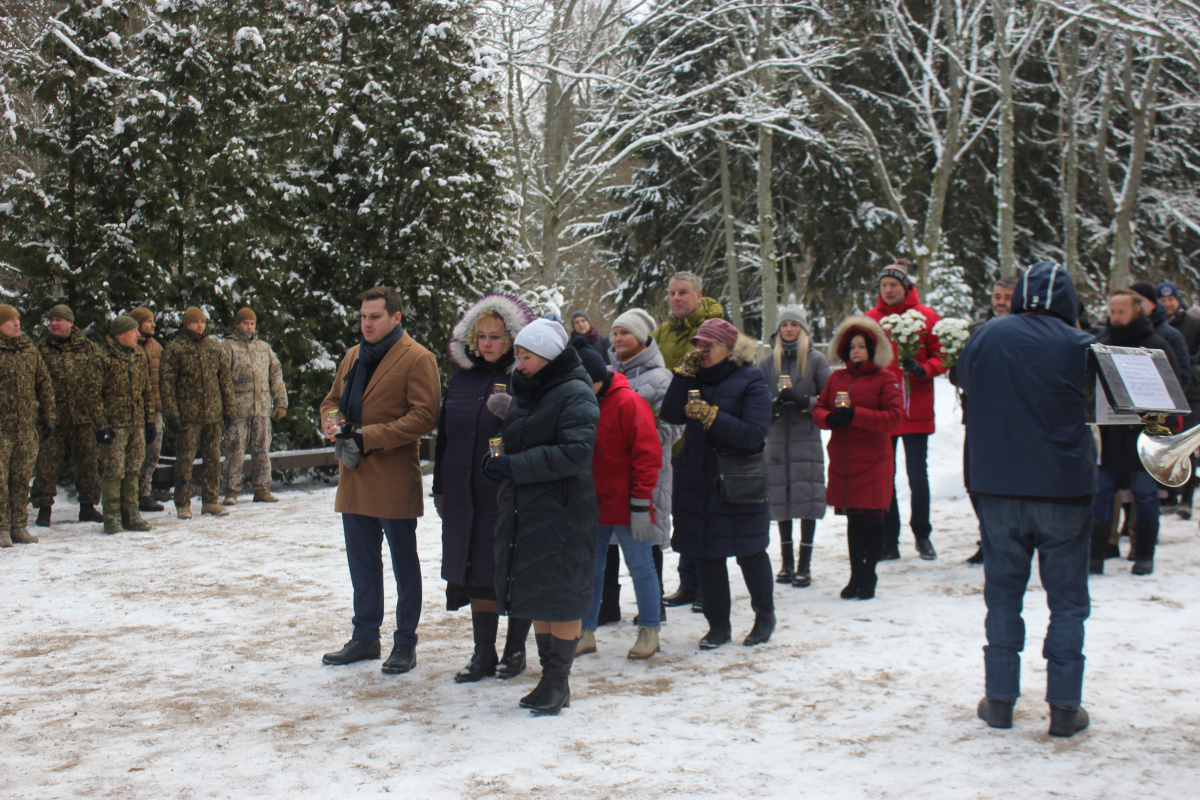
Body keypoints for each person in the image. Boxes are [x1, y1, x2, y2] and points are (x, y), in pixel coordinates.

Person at [958, 260, 1095, 738]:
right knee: (1068, 602)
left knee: (1002, 597)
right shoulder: (1082, 344)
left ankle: (999, 699)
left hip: (998, 483)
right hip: (1063, 485)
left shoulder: (987, 335)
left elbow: (966, 385)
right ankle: (1063, 706)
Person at [319, 287, 440, 676]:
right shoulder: (354, 355)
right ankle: (365, 636)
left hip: (391, 478)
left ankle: (405, 642)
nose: (366, 323)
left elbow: (424, 417)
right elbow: (331, 401)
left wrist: (367, 437)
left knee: (404, 564)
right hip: (354, 475)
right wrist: (335, 426)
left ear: (396, 318)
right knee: (362, 563)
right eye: (363, 317)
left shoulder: (418, 357)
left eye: (374, 317)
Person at [490, 318, 600, 715]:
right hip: (529, 510)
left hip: (565, 513)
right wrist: (499, 459)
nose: (519, 364)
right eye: (518, 355)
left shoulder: (575, 393)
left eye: (527, 356)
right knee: (538, 594)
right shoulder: (528, 391)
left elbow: (576, 453)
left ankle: (559, 682)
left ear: (549, 357)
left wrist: (515, 466)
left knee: (563, 599)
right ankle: (546, 679)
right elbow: (520, 440)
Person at [432, 294, 536, 683]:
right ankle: (483, 653)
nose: (488, 344)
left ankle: (515, 650)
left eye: (496, 336)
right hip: (463, 492)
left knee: (513, 568)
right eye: (482, 337)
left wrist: (515, 415)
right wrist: (441, 487)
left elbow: (542, 430)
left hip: (509, 491)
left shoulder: (524, 377)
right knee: (475, 570)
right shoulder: (461, 378)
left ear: (511, 340)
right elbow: (444, 435)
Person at [661, 318, 775, 649]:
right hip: (698, 480)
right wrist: (682, 374)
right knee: (707, 555)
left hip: (739, 481)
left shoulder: (751, 379)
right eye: (697, 345)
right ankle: (718, 626)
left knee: (750, 553)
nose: (701, 351)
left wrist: (713, 417)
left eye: (708, 346)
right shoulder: (694, 378)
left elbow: (755, 434)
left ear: (728, 348)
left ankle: (764, 616)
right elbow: (671, 414)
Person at [573, 336, 663, 660]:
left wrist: (640, 502)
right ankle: (586, 630)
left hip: (628, 505)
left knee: (641, 567)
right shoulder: (583, 403)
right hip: (593, 504)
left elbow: (648, 456)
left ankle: (650, 628)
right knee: (590, 570)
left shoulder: (629, 403)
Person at [812, 317, 904, 600]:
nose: (855, 351)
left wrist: (857, 415)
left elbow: (894, 418)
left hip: (874, 460)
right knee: (854, 520)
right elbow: (817, 409)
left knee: (873, 519)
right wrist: (831, 419)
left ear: (873, 349)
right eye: (852, 346)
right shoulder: (837, 378)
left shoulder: (885, 378)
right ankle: (855, 574)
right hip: (845, 461)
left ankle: (869, 574)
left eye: (861, 346)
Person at [1089, 289, 1178, 577]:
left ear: (1137, 312)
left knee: (1146, 495)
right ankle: (1095, 554)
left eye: (1121, 312)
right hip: (1111, 436)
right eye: (1112, 311)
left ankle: (1144, 554)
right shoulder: (1101, 343)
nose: (1115, 317)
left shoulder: (1156, 346)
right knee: (1102, 494)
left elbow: (1174, 388)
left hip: (1144, 436)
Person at [651, 271, 724, 611]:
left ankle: (706, 586)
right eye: (672, 293)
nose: (676, 298)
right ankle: (688, 582)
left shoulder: (713, 328)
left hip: (702, 432)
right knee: (681, 511)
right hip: (669, 438)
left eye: (683, 292)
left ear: (699, 293)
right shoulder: (662, 332)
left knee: (704, 514)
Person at [865, 260, 946, 561]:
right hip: (884, 410)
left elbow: (943, 355)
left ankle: (922, 534)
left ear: (906, 287)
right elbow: (858, 356)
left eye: (893, 285)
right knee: (886, 474)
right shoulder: (871, 320)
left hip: (916, 408)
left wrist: (923, 369)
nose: (888, 290)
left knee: (917, 474)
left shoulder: (925, 317)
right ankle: (889, 539)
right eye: (884, 286)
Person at [606, 308, 682, 621]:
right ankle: (607, 606)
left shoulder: (662, 379)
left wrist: (639, 440)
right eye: (615, 332)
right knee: (606, 539)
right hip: (609, 473)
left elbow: (675, 426)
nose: (618, 338)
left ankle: (654, 607)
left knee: (646, 539)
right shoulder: (607, 377)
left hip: (649, 474)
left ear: (641, 338)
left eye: (625, 333)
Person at [758, 306, 831, 588]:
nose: (789, 329)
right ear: (779, 329)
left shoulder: (816, 360)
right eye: (785, 325)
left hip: (805, 437)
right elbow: (758, 400)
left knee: (807, 498)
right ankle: (786, 563)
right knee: (781, 500)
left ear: (802, 329)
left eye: (794, 325)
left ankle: (804, 565)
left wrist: (804, 403)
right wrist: (773, 406)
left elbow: (828, 397)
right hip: (776, 439)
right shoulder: (766, 363)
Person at [955, 276, 1018, 565]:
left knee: (1009, 484)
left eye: (1007, 296)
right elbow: (960, 374)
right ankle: (989, 536)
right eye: (997, 296)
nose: (1001, 302)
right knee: (974, 481)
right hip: (978, 420)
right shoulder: (976, 331)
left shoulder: (1025, 331)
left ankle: (1011, 539)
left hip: (1014, 422)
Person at [160, 307, 235, 519]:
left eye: (202, 321)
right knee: (185, 462)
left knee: (213, 460)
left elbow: (225, 381)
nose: (200, 325)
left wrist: (229, 409)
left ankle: (210, 500)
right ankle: (182, 503)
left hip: (213, 414)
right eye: (195, 322)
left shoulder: (213, 347)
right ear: (186, 324)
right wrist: (172, 414)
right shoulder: (175, 349)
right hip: (187, 417)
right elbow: (167, 384)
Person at [32, 304, 103, 527]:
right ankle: (44, 510)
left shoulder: (88, 348)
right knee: (46, 464)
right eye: (51, 320)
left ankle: (88, 507)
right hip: (53, 418)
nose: (53, 323)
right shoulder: (40, 349)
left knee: (88, 463)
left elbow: (99, 380)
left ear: (70, 323)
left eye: (58, 320)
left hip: (83, 417)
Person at [0, 305, 56, 547]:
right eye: (10, 320)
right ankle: (1, 527)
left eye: (17, 319)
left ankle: (18, 525)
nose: (16, 323)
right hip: (2, 428)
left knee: (21, 479)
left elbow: (43, 383)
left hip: (25, 428)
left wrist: (49, 415)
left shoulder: (29, 350)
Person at [95, 316, 156, 534]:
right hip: (114, 425)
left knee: (133, 468)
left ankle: (131, 513)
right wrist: (101, 425)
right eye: (133, 332)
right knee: (113, 470)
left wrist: (149, 420)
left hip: (136, 422)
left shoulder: (139, 355)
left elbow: (147, 390)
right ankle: (112, 516)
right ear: (120, 334)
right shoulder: (102, 357)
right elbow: (93, 395)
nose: (138, 335)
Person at [221, 308, 288, 505]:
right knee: (235, 450)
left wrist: (281, 402)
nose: (249, 327)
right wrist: (225, 407)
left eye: (252, 323)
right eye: (245, 323)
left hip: (262, 408)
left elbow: (275, 375)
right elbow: (222, 378)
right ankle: (231, 490)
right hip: (237, 410)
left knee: (262, 450)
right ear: (237, 324)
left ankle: (262, 488)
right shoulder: (228, 347)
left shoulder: (264, 348)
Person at [1157, 281, 1200, 518]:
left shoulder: (1193, 323)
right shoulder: (1158, 327)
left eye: (1170, 299)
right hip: (1165, 394)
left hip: (1191, 393)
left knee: (1189, 446)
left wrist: (1191, 372)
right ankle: (1170, 494)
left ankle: (1187, 498)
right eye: (1162, 300)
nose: (1167, 304)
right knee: (1169, 446)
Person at [131, 307, 166, 512]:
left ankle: (144, 494)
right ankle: (127, 496)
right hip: (133, 411)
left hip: (154, 410)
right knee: (132, 455)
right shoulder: (129, 347)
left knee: (152, 454)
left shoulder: (157, 347)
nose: (153, 324)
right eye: (149, 321)